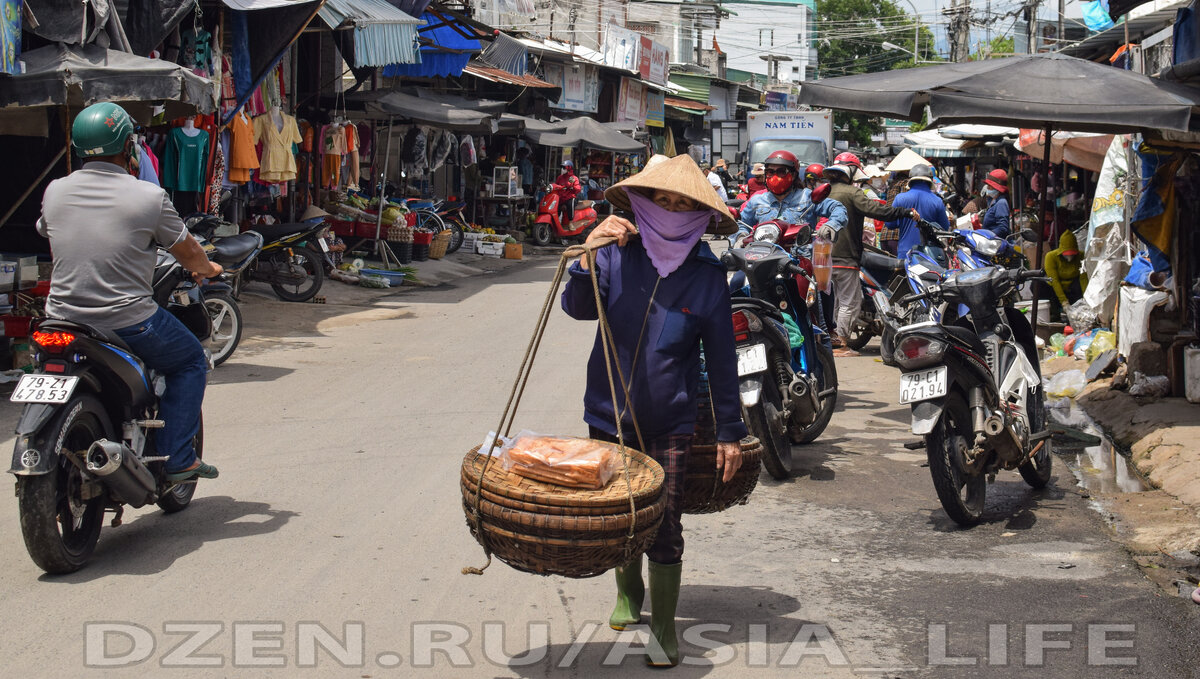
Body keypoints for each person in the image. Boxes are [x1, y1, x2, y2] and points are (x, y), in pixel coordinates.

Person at [561, 154, 748, 668]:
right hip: (607, 412)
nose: (670, 211)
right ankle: (628, 594)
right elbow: (578, 308)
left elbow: (722, 359)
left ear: (700, 215)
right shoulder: (615, 253)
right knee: (618, 515)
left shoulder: (707, 276)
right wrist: (587, 255)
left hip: (672, 418)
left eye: (682, 204)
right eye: (660, 201)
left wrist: (730, 431)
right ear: (641, 204)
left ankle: (664, 628)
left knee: (664, 521)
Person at [37, 102, 222, 483]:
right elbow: (188, 251)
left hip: (60, 318)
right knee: (190, 361)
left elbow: (45, 228)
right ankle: (178, 458)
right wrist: (208, 268)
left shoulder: (55, 190)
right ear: (128, 146)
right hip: (126, 320)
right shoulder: (148, 197)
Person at [738, 151, 846, 345]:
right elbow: (740, 223)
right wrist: (738, 237)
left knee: (817, 305)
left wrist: (832, 225)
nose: (775, 176)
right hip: (761, 265)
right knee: (735, 287)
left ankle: (825, 340)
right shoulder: (756, 201)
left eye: (781, 171)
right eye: (770, 172)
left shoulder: (807, 198)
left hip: (798, 265)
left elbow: (838, 209)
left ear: (794, 174)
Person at [823, 152, 917, 357]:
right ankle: (842, 344)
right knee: (849, 302)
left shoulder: (824, 191)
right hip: (845, 255)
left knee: (837, 301)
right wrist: (906, 212)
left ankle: (835, 340)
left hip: (823, 257)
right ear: (850, 172)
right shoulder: (852, 193)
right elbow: (878, 212)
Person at [887, 164, 950, 259]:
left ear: (911, 181)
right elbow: (944, 227)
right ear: (930, 181)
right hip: (929, 255)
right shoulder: (937, 201)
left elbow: (890, 224)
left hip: (905, 254)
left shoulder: (900, 198)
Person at [1043, 230, 1088, 322]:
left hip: (1073, 286)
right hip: (1056, 287)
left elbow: (1083, 279)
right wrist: (1064, 302)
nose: (1070, 256)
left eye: (1072, 253)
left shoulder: (1081, 256)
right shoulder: (1051, 257)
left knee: (1078, 286)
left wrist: (1086, 299)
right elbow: (1054, 280)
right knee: (1039, 286)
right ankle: (1053, 314)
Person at [979, 168, 1011, 237]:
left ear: (996, 188)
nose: (987, 188)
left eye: (989, 186)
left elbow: (1003, 229)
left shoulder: (1001, 203)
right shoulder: (993, 201)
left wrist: (986, 234)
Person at [554, 159, 583, 226]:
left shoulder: (574, 178)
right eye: (562, 167)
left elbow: (578, 189)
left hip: (569, 197)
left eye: (564, 168)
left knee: (571, 203)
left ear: (569, 168)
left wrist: (572, 186)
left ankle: (571, 222)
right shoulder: (560, 177)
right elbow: (556, 186)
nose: (563, 169)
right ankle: (555, 222)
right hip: (561, 198)